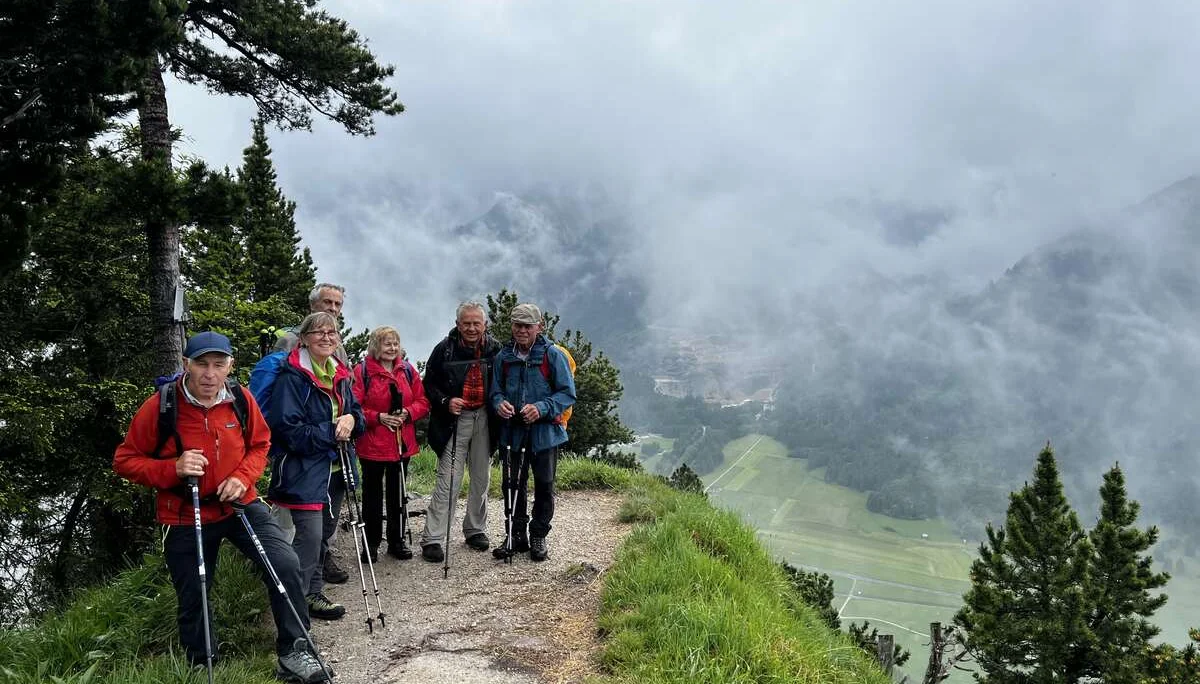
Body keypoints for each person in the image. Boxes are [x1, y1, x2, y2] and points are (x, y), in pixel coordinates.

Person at [112, 331, 329, 682]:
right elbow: (124, 460)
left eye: (218, 365)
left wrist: (242, 477)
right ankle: (201, 661)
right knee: (194, 588)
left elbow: (261, 444)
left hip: (239, 505)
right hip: (184, 512)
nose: (209, 374)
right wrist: (173, 468)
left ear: (229, 366)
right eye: (201, 364)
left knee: (284, 563)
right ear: (186, 365)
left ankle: (295, 651)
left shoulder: (240, 399)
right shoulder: (162, 406)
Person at [266, 312, 365, 620]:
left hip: (336, 469)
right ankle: (292, 607)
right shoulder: (292, 376)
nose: (326, 337)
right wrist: (333, 429)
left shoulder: (340, 373)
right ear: (304, 339)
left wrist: (351, 419)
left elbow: (357, 416)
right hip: (303, 472)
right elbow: (288, 429)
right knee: (308, 539)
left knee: (323, 536)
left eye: (331, 332)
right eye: (318, 332)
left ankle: (312, 594)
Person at [490, 303, 576, 562]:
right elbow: (495, 391)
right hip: (513, 432)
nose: (522, 330)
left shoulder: (553, 356)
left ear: (539, 327)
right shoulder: (503, 358)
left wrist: (541, 408)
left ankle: (538, 535)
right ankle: (516, 535)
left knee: (544, 485)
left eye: (527, 325)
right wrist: (498, 404)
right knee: (512, 484)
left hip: (545, 434)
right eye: (517, 325)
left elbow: (567, 394)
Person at [419, 301, 502, 561]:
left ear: (485, 325)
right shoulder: (444, 349)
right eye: (466, 323)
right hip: (454, 420)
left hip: (485, 418)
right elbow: (428, 384)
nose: (471, 328)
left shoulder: (495, 349)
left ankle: (475, 530)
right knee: (448, 480)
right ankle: (433, 538)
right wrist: (446, 401)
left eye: (476, 323)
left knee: (481, 477)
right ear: (457, 324)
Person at [351, 326, 430, 561]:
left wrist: (408, 412)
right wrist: (378, 418)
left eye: (395, 344)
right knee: (372, 497)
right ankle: (371, 544)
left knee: (398, 494)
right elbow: (353, 407)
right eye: (387, 344)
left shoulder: (406, 370)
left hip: (400, 443)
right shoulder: (363, 371)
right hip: (373, 444)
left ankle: (397, 541)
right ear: (376, 346)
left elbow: (423, 401)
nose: (392, 348)